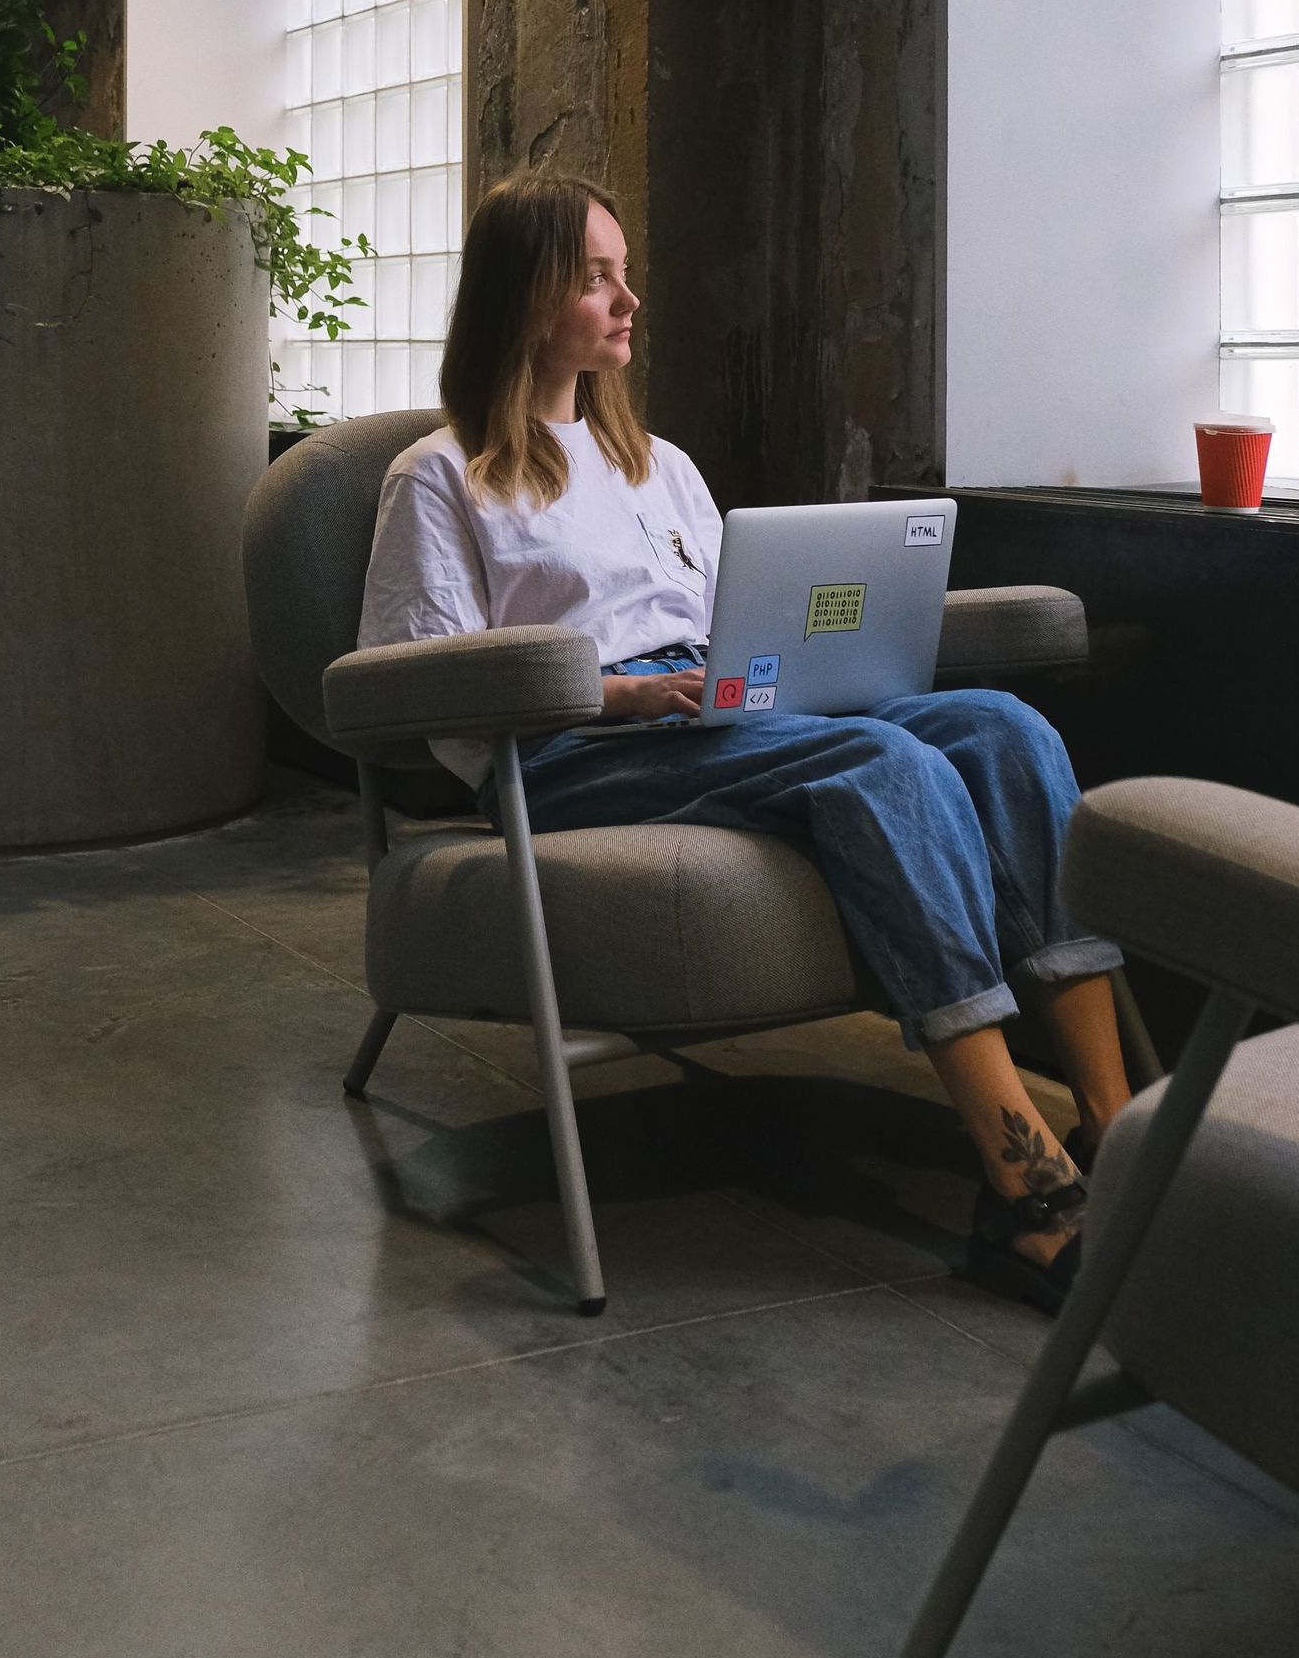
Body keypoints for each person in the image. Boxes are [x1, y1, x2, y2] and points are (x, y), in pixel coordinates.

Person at [358, 171, 1134, 1312]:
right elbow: (418, 692)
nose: (629, 302)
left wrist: (799, 659)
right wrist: (619, 697)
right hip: (576, 753)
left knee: (1004, 729)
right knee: (887, 765)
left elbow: (739, 620)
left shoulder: (657, 465)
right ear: (525, 299)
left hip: (719, 713)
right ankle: (1027, 1189)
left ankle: (1114, 1126)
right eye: (596, 278)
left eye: (626, 275)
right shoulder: (440, 478)